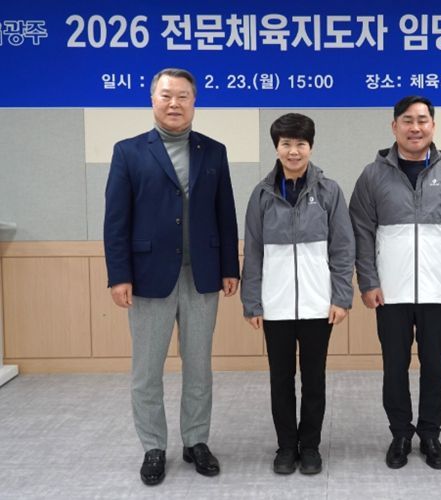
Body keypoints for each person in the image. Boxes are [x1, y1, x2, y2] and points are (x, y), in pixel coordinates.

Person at [104, 68, 239, 486]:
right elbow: (115, 220)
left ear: (195, 102)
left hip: (202, 275)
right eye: (166, 96)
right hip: (148, 277)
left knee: (199, 366)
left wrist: (229, 267)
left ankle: (196, 441)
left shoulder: (213, 151)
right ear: (153, 100)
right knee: (147, 370)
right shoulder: (128, 152)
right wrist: (119, 275)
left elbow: (225, 213)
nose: (174, 103)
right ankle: (153, 447)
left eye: (183, 96)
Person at [349, 96, 441, 470]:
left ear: (433, 126)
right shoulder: (372, 176)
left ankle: (431, 434)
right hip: (390, 292)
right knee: (395, 367)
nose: (415, 127)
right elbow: (361, 233)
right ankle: (401, 434)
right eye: (407, 120)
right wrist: (368, 282)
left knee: (435, 367)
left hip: (440, 291)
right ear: (394, 126)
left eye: (422, 120)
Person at [241, 113, 354, 475]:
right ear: (276, 147)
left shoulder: (329, 191)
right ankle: (286, 446)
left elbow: (343, 248)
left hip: (319, 304)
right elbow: (253, 251)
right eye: (286, 144)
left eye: (300, 144)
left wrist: (341, 297)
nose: (293, 151)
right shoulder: (261, 194)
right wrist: (252, 302)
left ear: (311, 147)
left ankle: (311, 446)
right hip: (275, 306)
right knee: (281, 380)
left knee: (314, 379)